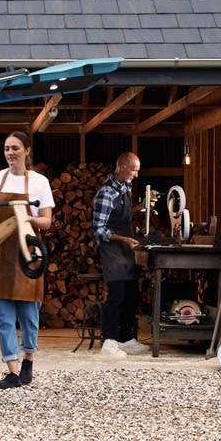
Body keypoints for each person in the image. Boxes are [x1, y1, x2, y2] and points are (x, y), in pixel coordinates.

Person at [0, 131, 54, 389]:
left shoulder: (39, 182)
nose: (10, 153)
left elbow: (47, 221)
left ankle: (28, 357)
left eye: (15, 148)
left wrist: (30, 219)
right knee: (3, 317)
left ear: (27, 151)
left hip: (27, 256)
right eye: (7, 148)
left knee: (29, 314)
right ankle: (13, 371)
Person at [92, 152, 150, 357]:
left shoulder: (125, 189)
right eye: (134, 170)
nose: (136, 174)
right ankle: (109, 341)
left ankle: (125, 338)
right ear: (122, 167)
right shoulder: (106, 193)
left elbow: (122, 213)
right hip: (112, 252)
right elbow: (99, 229)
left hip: (126, 253)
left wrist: (139, 208)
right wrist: (124, 239)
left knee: (131, 295)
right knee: (116, 296)